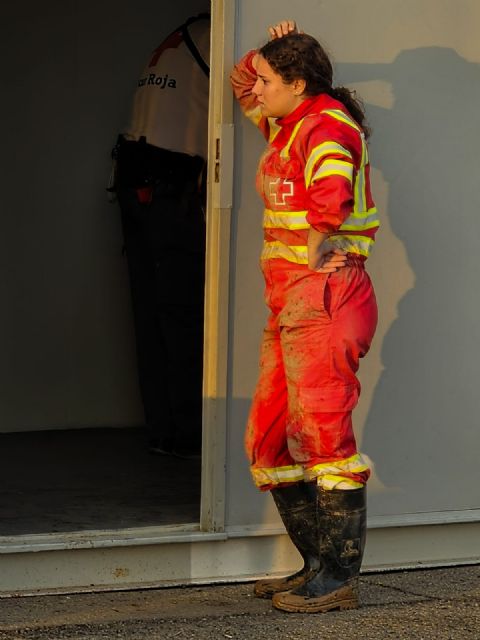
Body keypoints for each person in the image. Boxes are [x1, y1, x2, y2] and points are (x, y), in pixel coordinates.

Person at [230, 20, 379, 613]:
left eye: (270, 79)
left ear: (296, 83)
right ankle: (316, 566)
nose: (257, 89)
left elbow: (332, 197)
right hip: (292, 304)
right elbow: (243, 83)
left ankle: (338, 578)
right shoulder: (287, 118)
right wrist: (263, 52)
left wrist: (326, 238)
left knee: (324, 438)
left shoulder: (324, 127)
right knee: (267, 441)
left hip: (325, 300)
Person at [111, 13, 210, 458]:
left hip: (137, 178)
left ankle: (165, 430)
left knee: (151, 311)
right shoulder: (217, 35)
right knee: (182, 313)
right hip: (171, 187)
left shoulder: (179, 35)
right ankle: (189, 433)